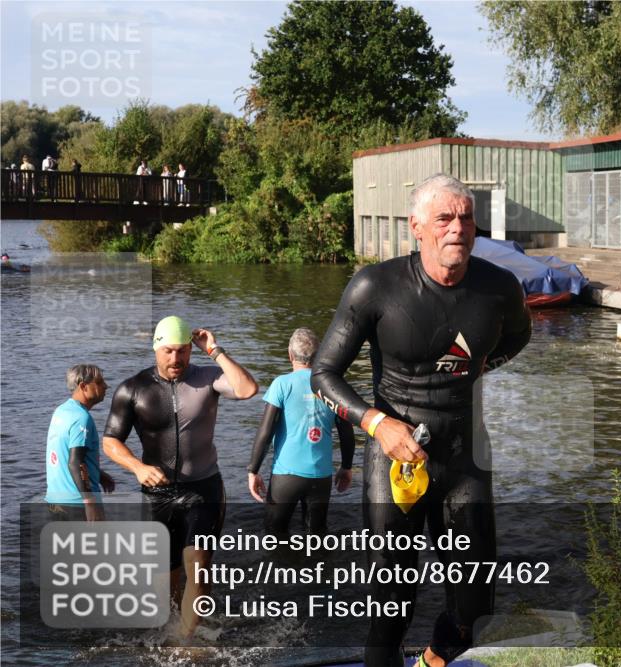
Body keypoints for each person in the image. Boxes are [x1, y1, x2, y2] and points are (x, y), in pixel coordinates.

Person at [312, 173, 532, 667]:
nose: (458, 228)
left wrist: (474, 366)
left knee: (475, 606)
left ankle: (434, 661)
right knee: (393, 603)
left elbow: (517, 339)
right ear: (416, 226)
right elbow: (323, 373)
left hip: (465, 456)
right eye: (444, 218)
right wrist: (376, 424)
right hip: (395, 459)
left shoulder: (499, 289)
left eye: (466, 218)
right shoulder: (376, 286)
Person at [102, 315, 258, 638]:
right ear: (156, 348)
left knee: (198, 570)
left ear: (191, 349)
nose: (177, 359)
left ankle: (186, 641)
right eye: (169, 351)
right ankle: (171, 630)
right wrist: (138, 467)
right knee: (167, 578)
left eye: (184, 351)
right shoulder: (133, 389)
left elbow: (247, 389)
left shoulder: (209, 377)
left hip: (203, 489)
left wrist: (215, 350)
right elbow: (111, 441)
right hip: (156, 496)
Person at [247, 328, 355, 536]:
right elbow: (346, 432)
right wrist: (347, 467)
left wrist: (253, 470)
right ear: (319, 355)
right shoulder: (332, 386)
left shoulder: (282, 384)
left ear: (290, 355)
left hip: (286, 477)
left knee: (274, 536)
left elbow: (265, 431)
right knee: (317, 537)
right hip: (321, 477)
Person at [46, 365, 115, 522]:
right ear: (83, 386)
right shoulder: (81, 418)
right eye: (99, 382)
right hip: (78, 504)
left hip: (56, 501)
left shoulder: (61, 411)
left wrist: (98, 474)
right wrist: (90, 502)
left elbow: (65, 455)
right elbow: (75, 463)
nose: (106, 386)